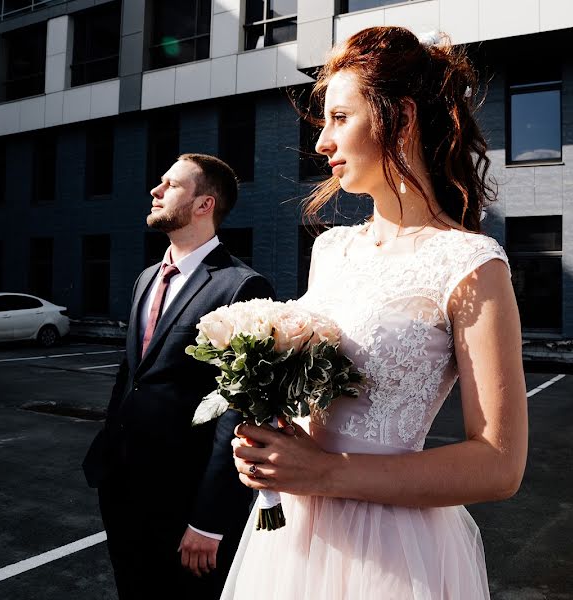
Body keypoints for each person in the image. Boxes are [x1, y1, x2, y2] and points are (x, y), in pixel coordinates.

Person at [221, 27, 528, 600]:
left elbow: (499, 465)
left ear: (401, 118)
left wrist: (326, 473)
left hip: (390, 550)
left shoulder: (472, 264)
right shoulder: (331, 249)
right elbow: (320, 399)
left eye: (339, 118)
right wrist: (273, 435)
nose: (321, 143)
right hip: (296, 536)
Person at [82, 153, 276, 600]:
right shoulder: (147, 277)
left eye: (170, 185)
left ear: (204, 204)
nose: (155, 190)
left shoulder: (241, 286)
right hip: (121, 485)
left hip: (184, 502)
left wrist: (210, 519)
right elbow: (131, 375)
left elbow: (237, 414)